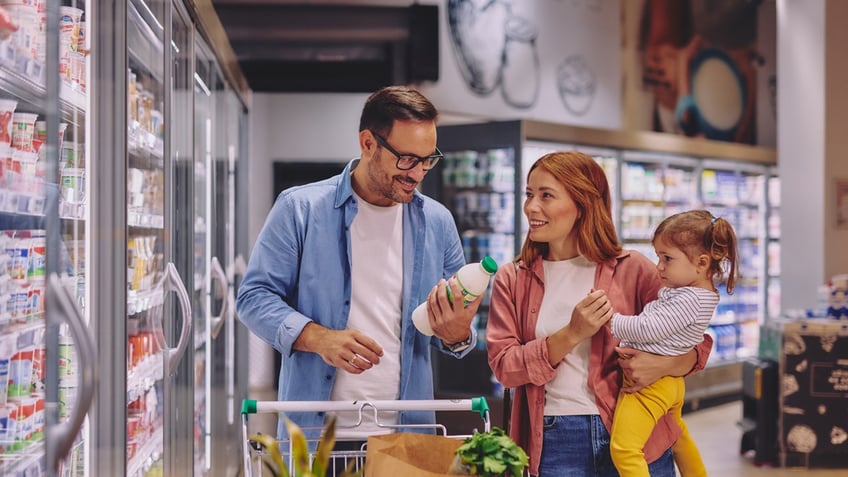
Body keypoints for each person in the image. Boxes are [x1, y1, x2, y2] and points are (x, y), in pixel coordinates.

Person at [236, 86, 480, 446]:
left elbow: (452, 334)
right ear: (368, 143)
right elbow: (253, 298)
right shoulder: (299, 209)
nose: (418, 173)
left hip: (407, 438)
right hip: (319, 439)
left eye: (428, 159)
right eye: (407, 159)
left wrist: (458, 332)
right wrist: (318, 338)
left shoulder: (438, 222)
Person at [486, 151, 713, 477]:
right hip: (555, 438)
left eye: (546, 196)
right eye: (529, 194)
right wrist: (570, 334)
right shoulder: (513, 278)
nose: (530, 207)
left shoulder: (633, 268)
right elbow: (505, 367)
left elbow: (698, 343)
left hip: (638, 432)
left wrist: (665, 364)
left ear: (583, 205)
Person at [607, 210, 738, 477]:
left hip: (651, 386)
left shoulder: (689, 299)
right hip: (669, 383)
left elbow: (649, 328)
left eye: (667, 258)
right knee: (676, 435)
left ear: (701, 263)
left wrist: (610, 319)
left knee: (625, 449)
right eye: (658, 257)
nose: (659, 266)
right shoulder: (694, 294)